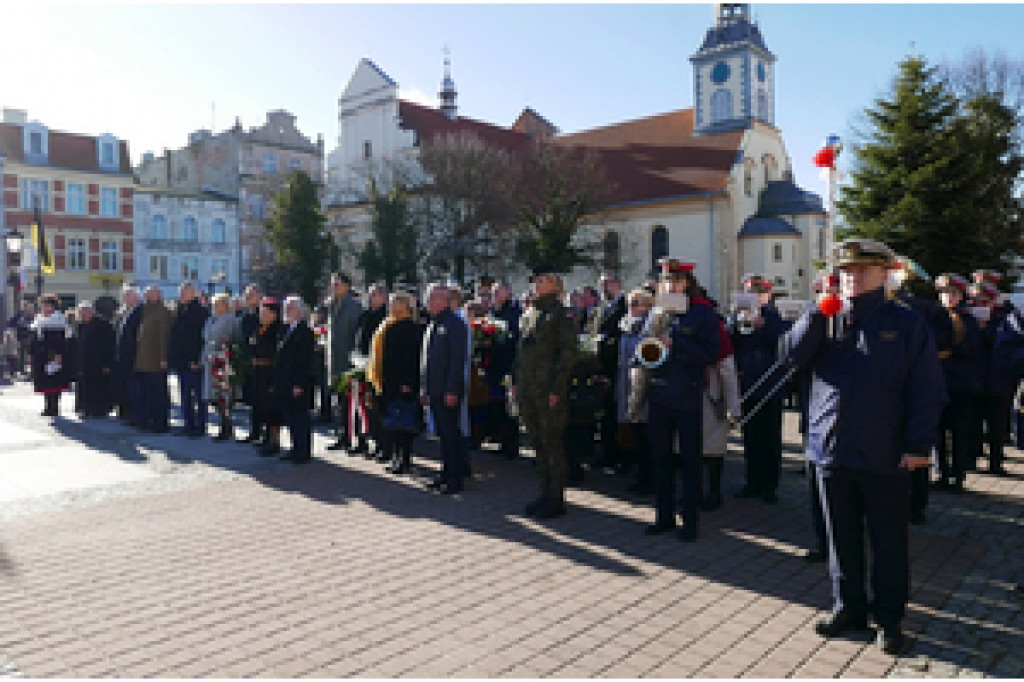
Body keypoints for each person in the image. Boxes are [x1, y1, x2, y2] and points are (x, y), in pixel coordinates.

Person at [783, 238, 946, 655]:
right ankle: (848, 607)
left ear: (883, 273)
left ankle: (889, 619)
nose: (853, 278)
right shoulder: (825, 315)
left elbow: (927, 388)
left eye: (862, 270)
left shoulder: (905, 323)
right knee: (840, 539)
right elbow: (790, 358)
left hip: (886, 452)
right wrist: (817, 315)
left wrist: (918, 444)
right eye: (847, 271)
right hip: (832, 448)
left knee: (889, 542)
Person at [643, 259, 720, 541]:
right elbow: (644, 346)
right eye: (666, 281)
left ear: (687, 283)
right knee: (660, 458)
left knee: (689, 461)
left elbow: (710, 353)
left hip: (687, 394)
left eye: (676, 281)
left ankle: (690, 520)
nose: (671, 286)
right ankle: (663, 516)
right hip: (660, 391)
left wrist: (678, 344)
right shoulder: (657, 312)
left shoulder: (703, 313)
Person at [513, 265, 578, 519]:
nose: (537, 284)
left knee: (552, 443)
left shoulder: (562, 314)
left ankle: (556, 498)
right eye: (535, 280)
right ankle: (544, 492)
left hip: (548, 389)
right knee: (537, 443)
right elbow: (521, 353)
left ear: (555, 284)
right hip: (529, 387)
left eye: (542, 280)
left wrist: (557, 388)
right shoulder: (530, 312)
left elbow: (567, 354)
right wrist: (516, 384)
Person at [730, 274, 787, 504]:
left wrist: (764, 328)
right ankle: (752, 482)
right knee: (750, 437)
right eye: (750, 292)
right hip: (747, 383)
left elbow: (785, 343)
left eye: (759, 292)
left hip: (770, 385)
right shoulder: (737, 315)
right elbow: (729, 342)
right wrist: (734, 323)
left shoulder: (777, 316)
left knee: (770, 439)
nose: (755, 295)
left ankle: (769, 486)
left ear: (767, 295)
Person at [968, 275, 1024, 477]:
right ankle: (971, 458)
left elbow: (1008, 347)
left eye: (985, 300)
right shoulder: (967, 316)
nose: (980, 304)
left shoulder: (1006, 317)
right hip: (973, 378)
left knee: (997, 424)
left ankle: (996, 461)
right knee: (972, 420)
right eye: (976, 300)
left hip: (999, 379)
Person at [420, 283, 469, 494]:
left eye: (434, 297)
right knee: (442, 434)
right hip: (434, 388)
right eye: (429, 297)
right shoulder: (434, 323)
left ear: (445, 300)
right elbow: (426, 360)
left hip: (447, 390)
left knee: (451, 434)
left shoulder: (454, 323)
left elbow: (457, 361)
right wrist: (424, 388)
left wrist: (452, 390)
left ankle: (455, 477)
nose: (429, 301)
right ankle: (445, 472)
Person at [934, 273, 981, 493]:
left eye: (953, 293)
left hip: (961, 382)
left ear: (961, 295)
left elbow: (972, 349)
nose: (949, 297)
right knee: (938, 432)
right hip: (938, 381)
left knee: (960, 431)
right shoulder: (934, 318)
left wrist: (953, 347)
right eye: (945, 293)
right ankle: (942, 473)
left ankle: (959, 475)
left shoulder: (969, 320)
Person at [368, 291, 422, 475]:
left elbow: (410, 357)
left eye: (395, 303)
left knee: (403, 422)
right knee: (392, 421)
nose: (391, 306)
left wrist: (407, 382)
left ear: (405, 306)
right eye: (390, 302)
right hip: (388, 380)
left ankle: (404, 459)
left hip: (401, 382)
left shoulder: (408, 327)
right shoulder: (387, 324)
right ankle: (395, 456)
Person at [617, 288, 655, 495]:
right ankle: (641, 475)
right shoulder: (626, 324)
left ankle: (649, 478)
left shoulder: (649, 327)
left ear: (648, 305)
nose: (631, 306)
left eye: (636, 302)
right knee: (635, 433)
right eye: (630, 302)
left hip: (643, 386)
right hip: (626, 384)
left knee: (646, 434)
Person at [588, 273, 627, 471]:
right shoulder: (599, 308)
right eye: (602, 284)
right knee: (602, 413)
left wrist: (607, 344)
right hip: (598, 365)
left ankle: (619, 456)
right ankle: (606, 453)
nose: (605, 288)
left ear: (617, 285)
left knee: (615, 412)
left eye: (608, 284)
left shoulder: (625, 307)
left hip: (616, 367)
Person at [702, 317, 741, 511]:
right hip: (688, 396)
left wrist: (733, 408)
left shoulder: (715, 328)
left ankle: (714, 493)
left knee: (713, 449)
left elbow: (728, 372)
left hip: (711, 397)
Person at [276, 296, 315, 464]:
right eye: (286, 307)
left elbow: (305, 361)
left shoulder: (305, 332)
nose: (287, 310)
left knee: (300, 417)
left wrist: (299, 383)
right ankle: (294, 447)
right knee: (290, 417)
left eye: (291, 307)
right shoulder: (286, 329)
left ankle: (303, 451)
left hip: (298, 382)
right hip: (286, 380)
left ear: (299, 310)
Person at [327, 273, 363, 451]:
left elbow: (357, 336)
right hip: (334, 363)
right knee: (339, 403)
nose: (334, 286)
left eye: (338, 284)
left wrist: (354, 362)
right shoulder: (332, 305)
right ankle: (343, 437)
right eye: (333, 283)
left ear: (347, 286)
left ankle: (357, 439)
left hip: (348, 364)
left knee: (352, 404)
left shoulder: (354, 306)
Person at [169, 282, 210, 438]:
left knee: (199, 396)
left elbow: (199, 338)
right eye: (180, 292)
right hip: (181, 360)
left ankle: (200, 426)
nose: (182, 295)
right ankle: (188, 424)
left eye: (185, 292)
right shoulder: (179, 310)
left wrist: (195, 359)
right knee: (185, 395)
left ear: (193, 294)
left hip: (194, 361)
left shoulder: (200, 312)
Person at [352, 283, 388, 458]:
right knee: (363, 406)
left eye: (375, 294)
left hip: (377, 367)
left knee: (376, 407)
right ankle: (365, 440)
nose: (371, 297)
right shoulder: (364, 315)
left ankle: (382, 444)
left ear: (383, 297)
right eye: (370, 294)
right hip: (361, 364)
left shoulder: (385, 317)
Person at [488, 281, 522, 459]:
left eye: (497, 292)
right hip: (495, 365)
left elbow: (516, 338)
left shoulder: (515, 312)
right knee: (497, 406)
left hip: (509, 365)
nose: (494, 295)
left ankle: (512, 445)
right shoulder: (493, 312)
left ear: (507, 293)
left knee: (510, 407)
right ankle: (502, 440)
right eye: (493, 292)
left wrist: (501, 338)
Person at [202, 293, 240, 441]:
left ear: (226, 305)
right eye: (214, 304)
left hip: (223, 362)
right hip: (209, 360)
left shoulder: (231, 320)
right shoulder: (211, 319)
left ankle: (226, 427)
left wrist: (221, 354)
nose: (216, 307)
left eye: (219, 304)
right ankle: (225, 426)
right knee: (215, 396)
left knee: (225, 396)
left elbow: (232, 340)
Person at [135, 286, 173, 433]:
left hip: (156, 360)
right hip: (144, 360)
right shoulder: (146, 311)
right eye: (146, 294)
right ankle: (150, 420)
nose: (147, 297)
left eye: (149, 294)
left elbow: (164, 336)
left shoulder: (163, 312)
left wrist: (164, 358)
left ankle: (161, 422)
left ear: (158, 295)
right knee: (147, 393)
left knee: (159, 393)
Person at [252, 298, 286, 456]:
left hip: (270, 371)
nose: (262, 316)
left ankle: (274, 442)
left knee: (273, 409)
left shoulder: (277, 331)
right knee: (262, 407)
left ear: (274, 314)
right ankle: (266, 438)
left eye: (265, 313)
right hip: (259, 372)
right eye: (261, 313)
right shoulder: (260, 329)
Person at [30, 295, 71, 417]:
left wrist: (57, 356)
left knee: (54, 382)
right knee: (45, 382)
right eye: (43, 305)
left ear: (53, 307)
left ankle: (54, 407)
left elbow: (60, 342)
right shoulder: (39, 319)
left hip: (52, 355)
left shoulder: (57, 320)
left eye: (47, 305)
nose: (44, 308)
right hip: (41, 356)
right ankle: (47, 406)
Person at [74, 301, 115, 418]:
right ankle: (85, 408)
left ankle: (99, 410)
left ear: (91, 312)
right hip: (84, 363)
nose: (82, 316)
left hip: (99, 363)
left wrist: (107, 363)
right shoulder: (81, 326)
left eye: (84, 313)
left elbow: (109, 345)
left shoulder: (103, 325)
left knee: (99, 387)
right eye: (80, 313)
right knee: (84, 387)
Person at [114, 286, 144, 426]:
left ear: (135, 297)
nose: (124, 299)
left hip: (135, 356)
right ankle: (129, 413)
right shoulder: (125, 312)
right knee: (128, 387)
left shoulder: (140, 312)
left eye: (127, 296)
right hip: (124, 357)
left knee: (136, 388)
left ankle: (137, 415)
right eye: (124, 296)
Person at [237, 284, 263, 443]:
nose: (248, 298)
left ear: (259, 296)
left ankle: (264, 432)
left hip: (262, 362)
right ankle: (254, 431)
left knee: (262, 400)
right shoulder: (246, 316)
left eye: (251, 295)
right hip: (248, 362)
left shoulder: (263, 314)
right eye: (247, 295)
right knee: (253, 400)